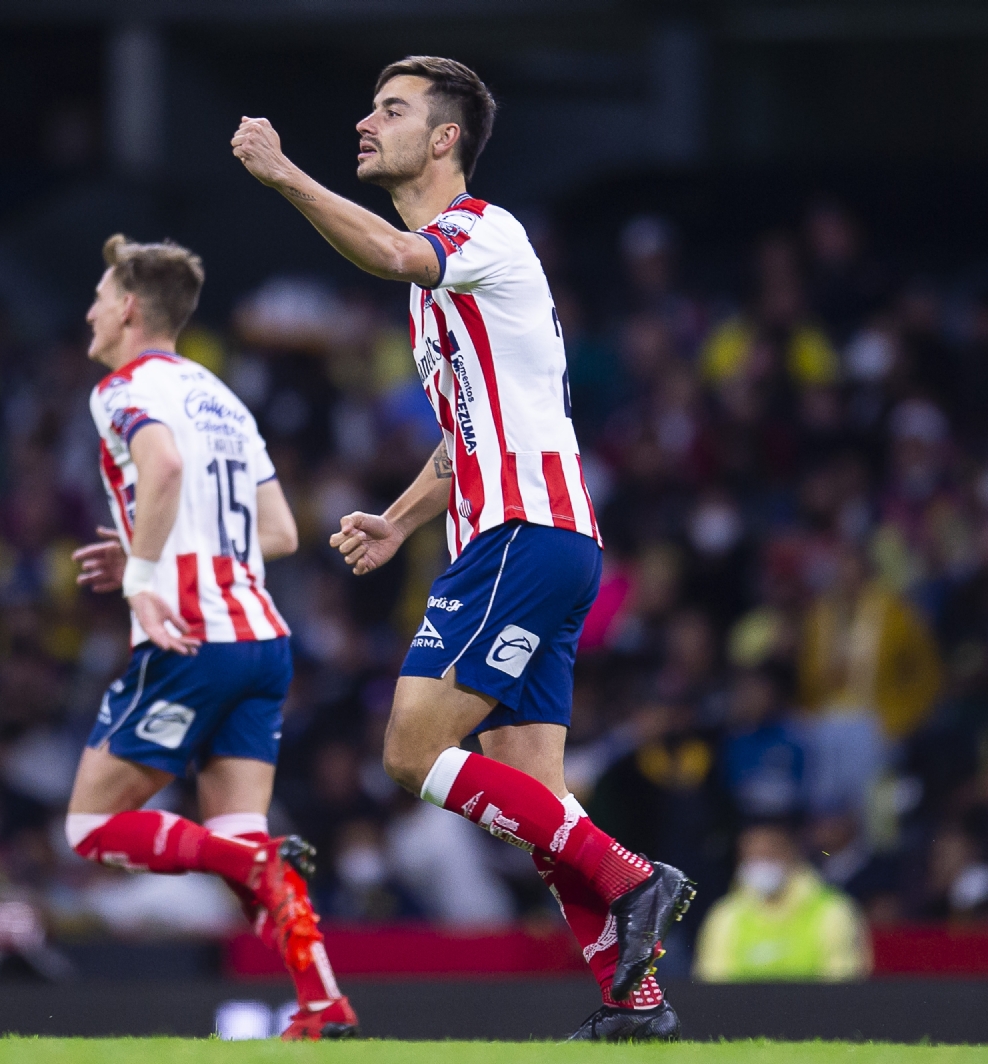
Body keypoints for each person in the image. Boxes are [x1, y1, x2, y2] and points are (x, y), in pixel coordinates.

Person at [232, 56, 696, 1041]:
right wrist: (399, 518)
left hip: (520, 537)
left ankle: (633, 876)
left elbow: (395, 257)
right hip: (546, 536)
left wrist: (281, 175)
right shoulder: (445, 283)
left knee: (410, 751)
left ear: (444, 139)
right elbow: (467, 433)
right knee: (533, 796)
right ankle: (636, 999)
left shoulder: (480, 233)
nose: (365, 123)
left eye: (390, 110)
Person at [65, 234, 358, 1040]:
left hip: (193, 637)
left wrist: (141, 576)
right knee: (237, 829)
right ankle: (322, 1001)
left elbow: (159, 470)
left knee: (90, 828)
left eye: (98, 296)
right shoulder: (221, 396)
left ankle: (254, 867)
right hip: (263, 639)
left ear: (128, 307)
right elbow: (281, 530)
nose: (88, 311)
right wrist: (166, 550)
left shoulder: (122, 388)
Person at [694, 822, 871, 982]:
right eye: (751, 856)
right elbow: (713, 984)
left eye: (768, 854)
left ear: (792, 854)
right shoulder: (726, 914)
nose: (760, 864)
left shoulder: (834, 910)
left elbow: (844, 986)